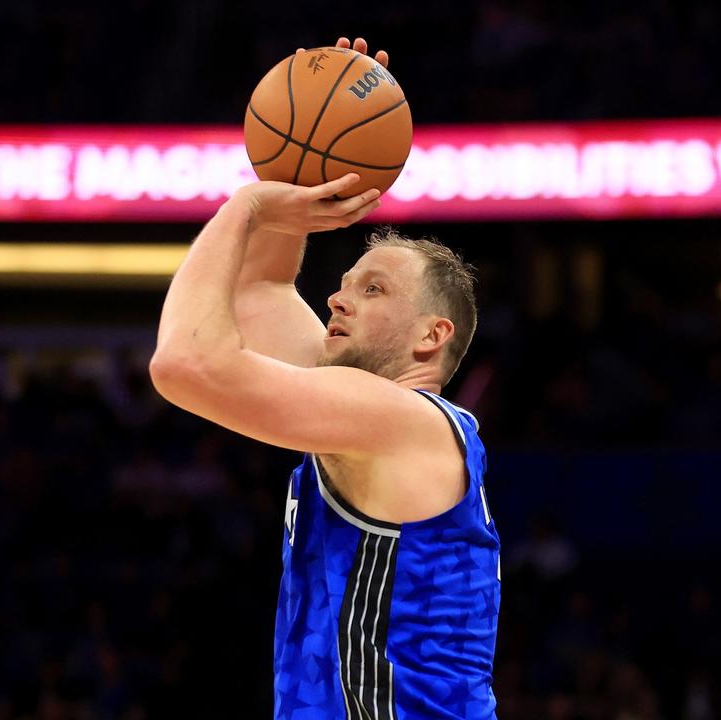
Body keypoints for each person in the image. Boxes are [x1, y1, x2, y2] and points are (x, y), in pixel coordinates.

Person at [148, 37, 500, 719]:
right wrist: (302, 171)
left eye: (371, 290)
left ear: (433, 336)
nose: (337, 299)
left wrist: (244, 209)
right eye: (343, 285)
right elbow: (260, 288)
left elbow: (185, 363)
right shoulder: (367, 411)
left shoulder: (400, 422)